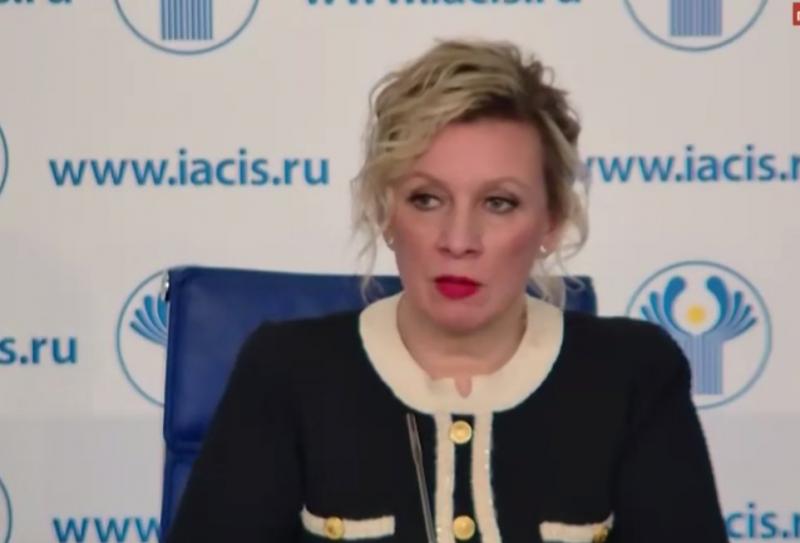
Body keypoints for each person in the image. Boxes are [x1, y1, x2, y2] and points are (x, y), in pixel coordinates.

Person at [166, 39, 729, 543]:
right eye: (427, 200)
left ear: (552, 221)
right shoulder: (286, 370)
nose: (458, 240)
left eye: (499, 203)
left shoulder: (635, 374)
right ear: (387, 213)